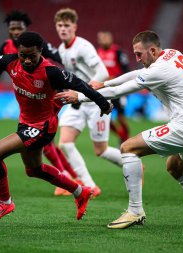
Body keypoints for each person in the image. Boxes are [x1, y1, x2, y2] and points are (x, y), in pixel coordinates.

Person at [0, 32, 113, 223]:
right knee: (34, 170)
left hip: (43, 127)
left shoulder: (51, 72)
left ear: (40, 52)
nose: (26, 60)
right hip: (26, 123)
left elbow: (82, 85)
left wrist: (103, 103)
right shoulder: (10, 61)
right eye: (22, 55)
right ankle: (80, 191)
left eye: (31, 56)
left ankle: (5, 203)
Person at [55, 30, 183, 229]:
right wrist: (105, 83)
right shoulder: (172, 53)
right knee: (174, 167)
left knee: (128, 148)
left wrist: (81, 96)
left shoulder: (159, 70)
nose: (136, 59)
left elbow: (119, 91)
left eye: (139, 54)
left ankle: (135, 211)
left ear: (152, 50)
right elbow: (136, 74)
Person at [0, 10, 78, 196]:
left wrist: (69, 83)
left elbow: (61, 59)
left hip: (49, 93)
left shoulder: (36, 44)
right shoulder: (6, 47)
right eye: (13, 28)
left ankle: (69, 178)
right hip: (29, 99)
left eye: (20, 28)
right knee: (41, 153)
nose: (16, 31)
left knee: (45, 141)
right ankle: (71, 180)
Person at [54, 8, 123, 197]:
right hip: (77, 100)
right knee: (65, 143)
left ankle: (133, 163)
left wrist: (82, 91)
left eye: (67, 25)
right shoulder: (62, 49)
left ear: (75, 27)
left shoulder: (83, 47)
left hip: (95, 101)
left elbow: (102, 73)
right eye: (60, 25)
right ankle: (89, 185)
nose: (63, 29)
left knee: (100, 150)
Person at [97, 30, 130, 144]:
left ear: (111, 39)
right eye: (101, 38)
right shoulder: (98, 53)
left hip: (118, 89)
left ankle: (126, 136)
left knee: (121, 117)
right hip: (104, 90)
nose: (103, 40)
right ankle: (122, 136)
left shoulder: (118, 52)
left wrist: (114, 78)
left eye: (106, 38)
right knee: (106, 117)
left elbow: (126, 71)